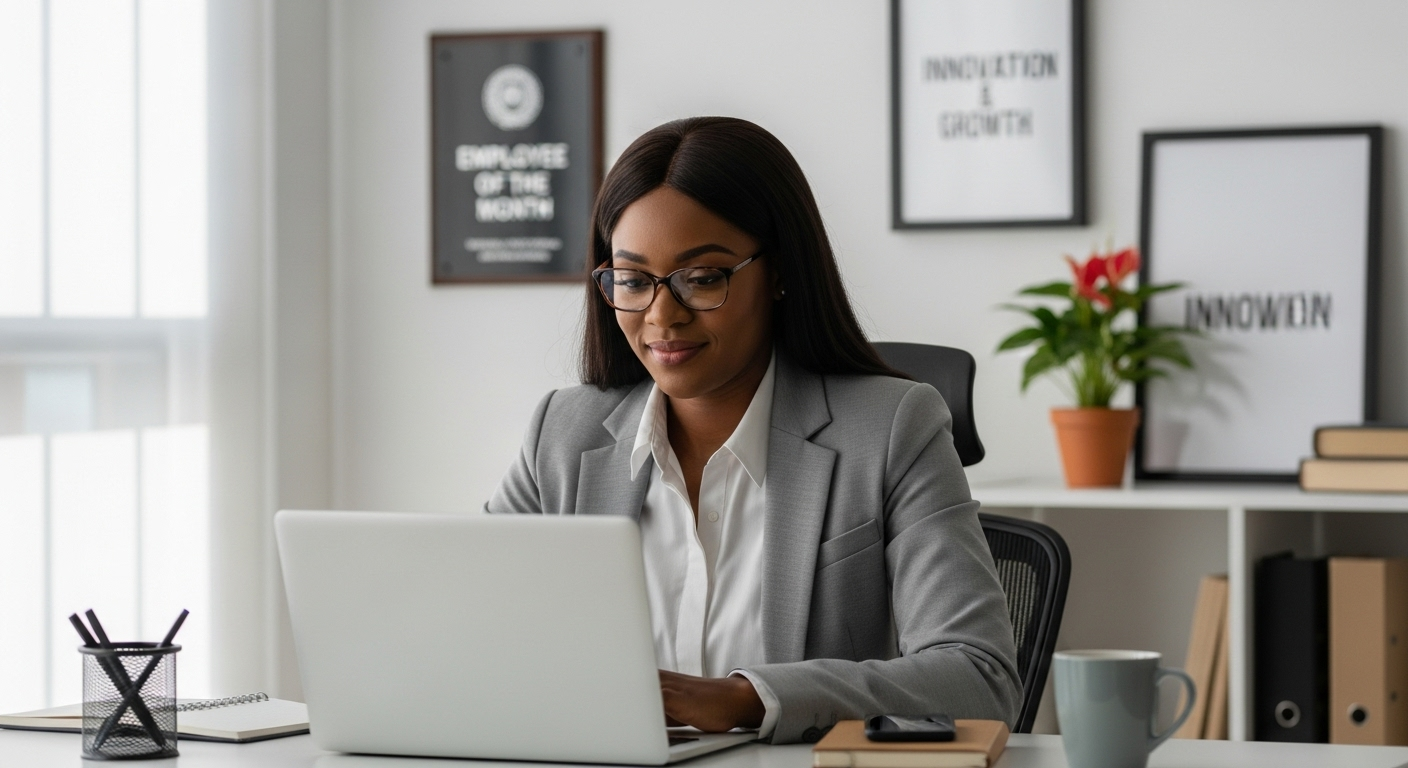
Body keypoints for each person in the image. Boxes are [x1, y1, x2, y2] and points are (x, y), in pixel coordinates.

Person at [487, 117, 1020, 744]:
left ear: (779, 272)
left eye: (703, 277)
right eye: (633, 281)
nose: (663, 316)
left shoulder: (892, 429)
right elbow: (470, 630)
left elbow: (978, 677)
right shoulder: (562, 434)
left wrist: (745, 699)